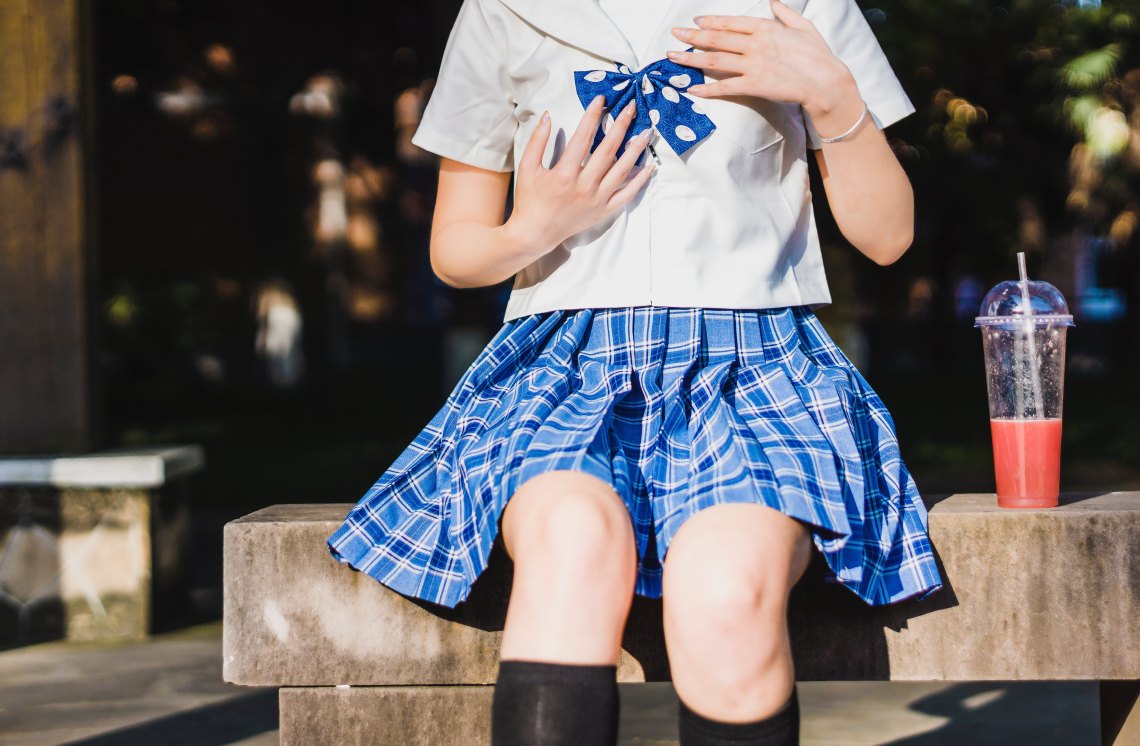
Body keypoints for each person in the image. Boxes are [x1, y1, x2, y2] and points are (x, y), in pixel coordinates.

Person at [326, 0, 944, 743]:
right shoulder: (504, 9)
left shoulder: (800, 5)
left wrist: (833, 95)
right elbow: (453, 251)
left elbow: (887, 237)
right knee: (573, 542)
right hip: (564, 368)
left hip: (753, 367)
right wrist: (536, 226)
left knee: (726, 589)